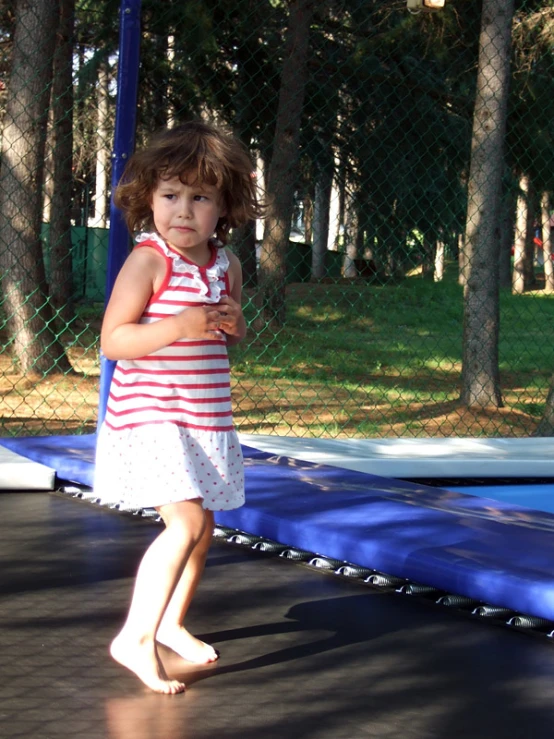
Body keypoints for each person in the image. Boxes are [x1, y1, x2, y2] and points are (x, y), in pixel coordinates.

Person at [94, 120, 265, 694]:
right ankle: (135, 638)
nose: (183, 211)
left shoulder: (226, 266)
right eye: (171, 195)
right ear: (150, 198)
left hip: (203, 418)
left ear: (225, 207)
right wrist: (176, 326)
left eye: (200, 198)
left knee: (204, 526)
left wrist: (235, 324)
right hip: (151, 416)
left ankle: (169, 622)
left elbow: (227, 331)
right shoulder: (150, 262)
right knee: (185, 521)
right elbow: (113, 339)